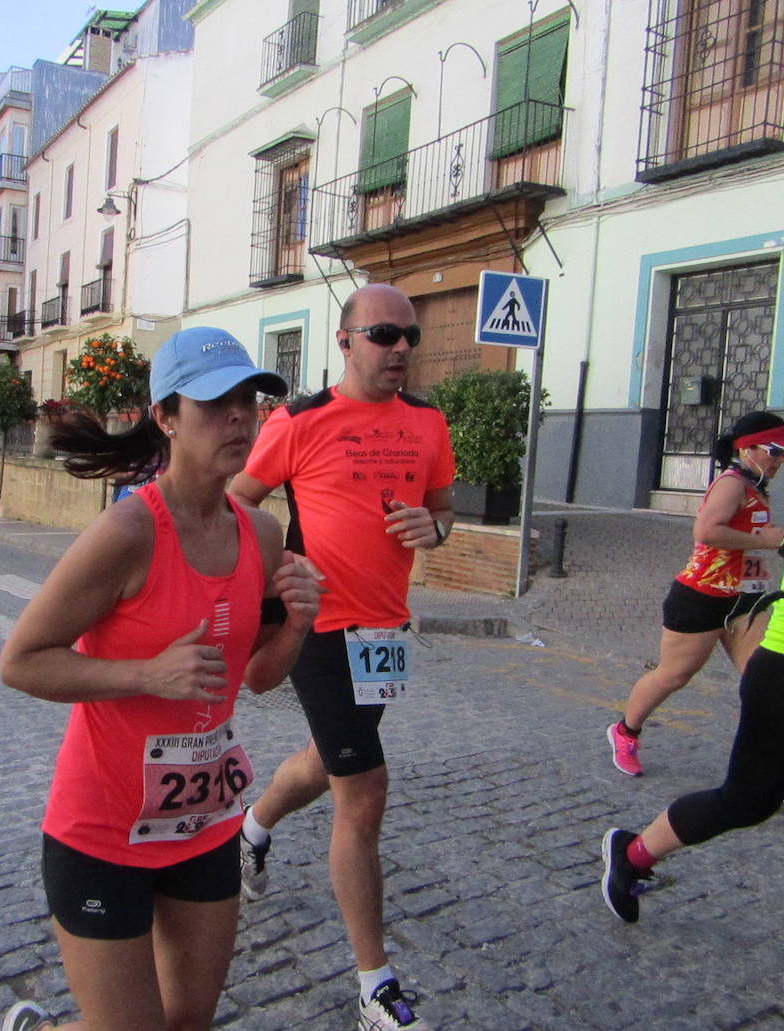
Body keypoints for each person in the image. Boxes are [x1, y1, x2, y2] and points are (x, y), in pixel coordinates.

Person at [0, 326, 324, 1031]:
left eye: (248, 399)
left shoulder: (261, 536)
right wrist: (146, 672)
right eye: (214, 402)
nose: (239, 416)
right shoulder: (129, 532)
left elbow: (259, 677)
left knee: (187, 1022)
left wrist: (296, 624)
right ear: (167, 418)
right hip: (102, 829)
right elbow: (20, 660)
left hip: (203, 825)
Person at [600, 384, 784, 1028]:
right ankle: (630, 838)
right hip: (772, 653)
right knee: (737, 787)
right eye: (774, 451)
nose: (782, 460)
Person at [228, 283, 455, 1031]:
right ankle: (374, 986)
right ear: (346, 339)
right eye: (384, 334)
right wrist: (271, 583)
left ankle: (253, 827)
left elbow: (444, 505)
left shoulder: (427, 421)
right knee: (365, 790)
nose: (399, 349)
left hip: (385, 630)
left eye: (409, 338)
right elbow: (239, 500)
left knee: (331, 760)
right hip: (318, 625)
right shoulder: (299, 421)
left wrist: (437, 526)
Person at [607, 412, 784, 809]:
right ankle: (626, 731)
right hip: (700, 597)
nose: (780, 461)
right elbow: (705, 531)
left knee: (765, 683)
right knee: (673, 676)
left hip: (746, 600)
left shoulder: (756, 484)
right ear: (747, 450)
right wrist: (766, 540)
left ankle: (771, 774)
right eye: (775, 452)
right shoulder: (732, 483)